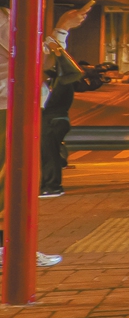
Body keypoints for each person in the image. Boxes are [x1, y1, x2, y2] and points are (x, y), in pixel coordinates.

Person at [40, 35, 86, 199]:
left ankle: (52, 186)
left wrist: (59, 51)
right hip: (47, 120)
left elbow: (73, 71)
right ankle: (46, 183)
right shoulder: (44, 82)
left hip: (54, 120)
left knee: (48, 153)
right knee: (44, 153)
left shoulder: (62, 81)